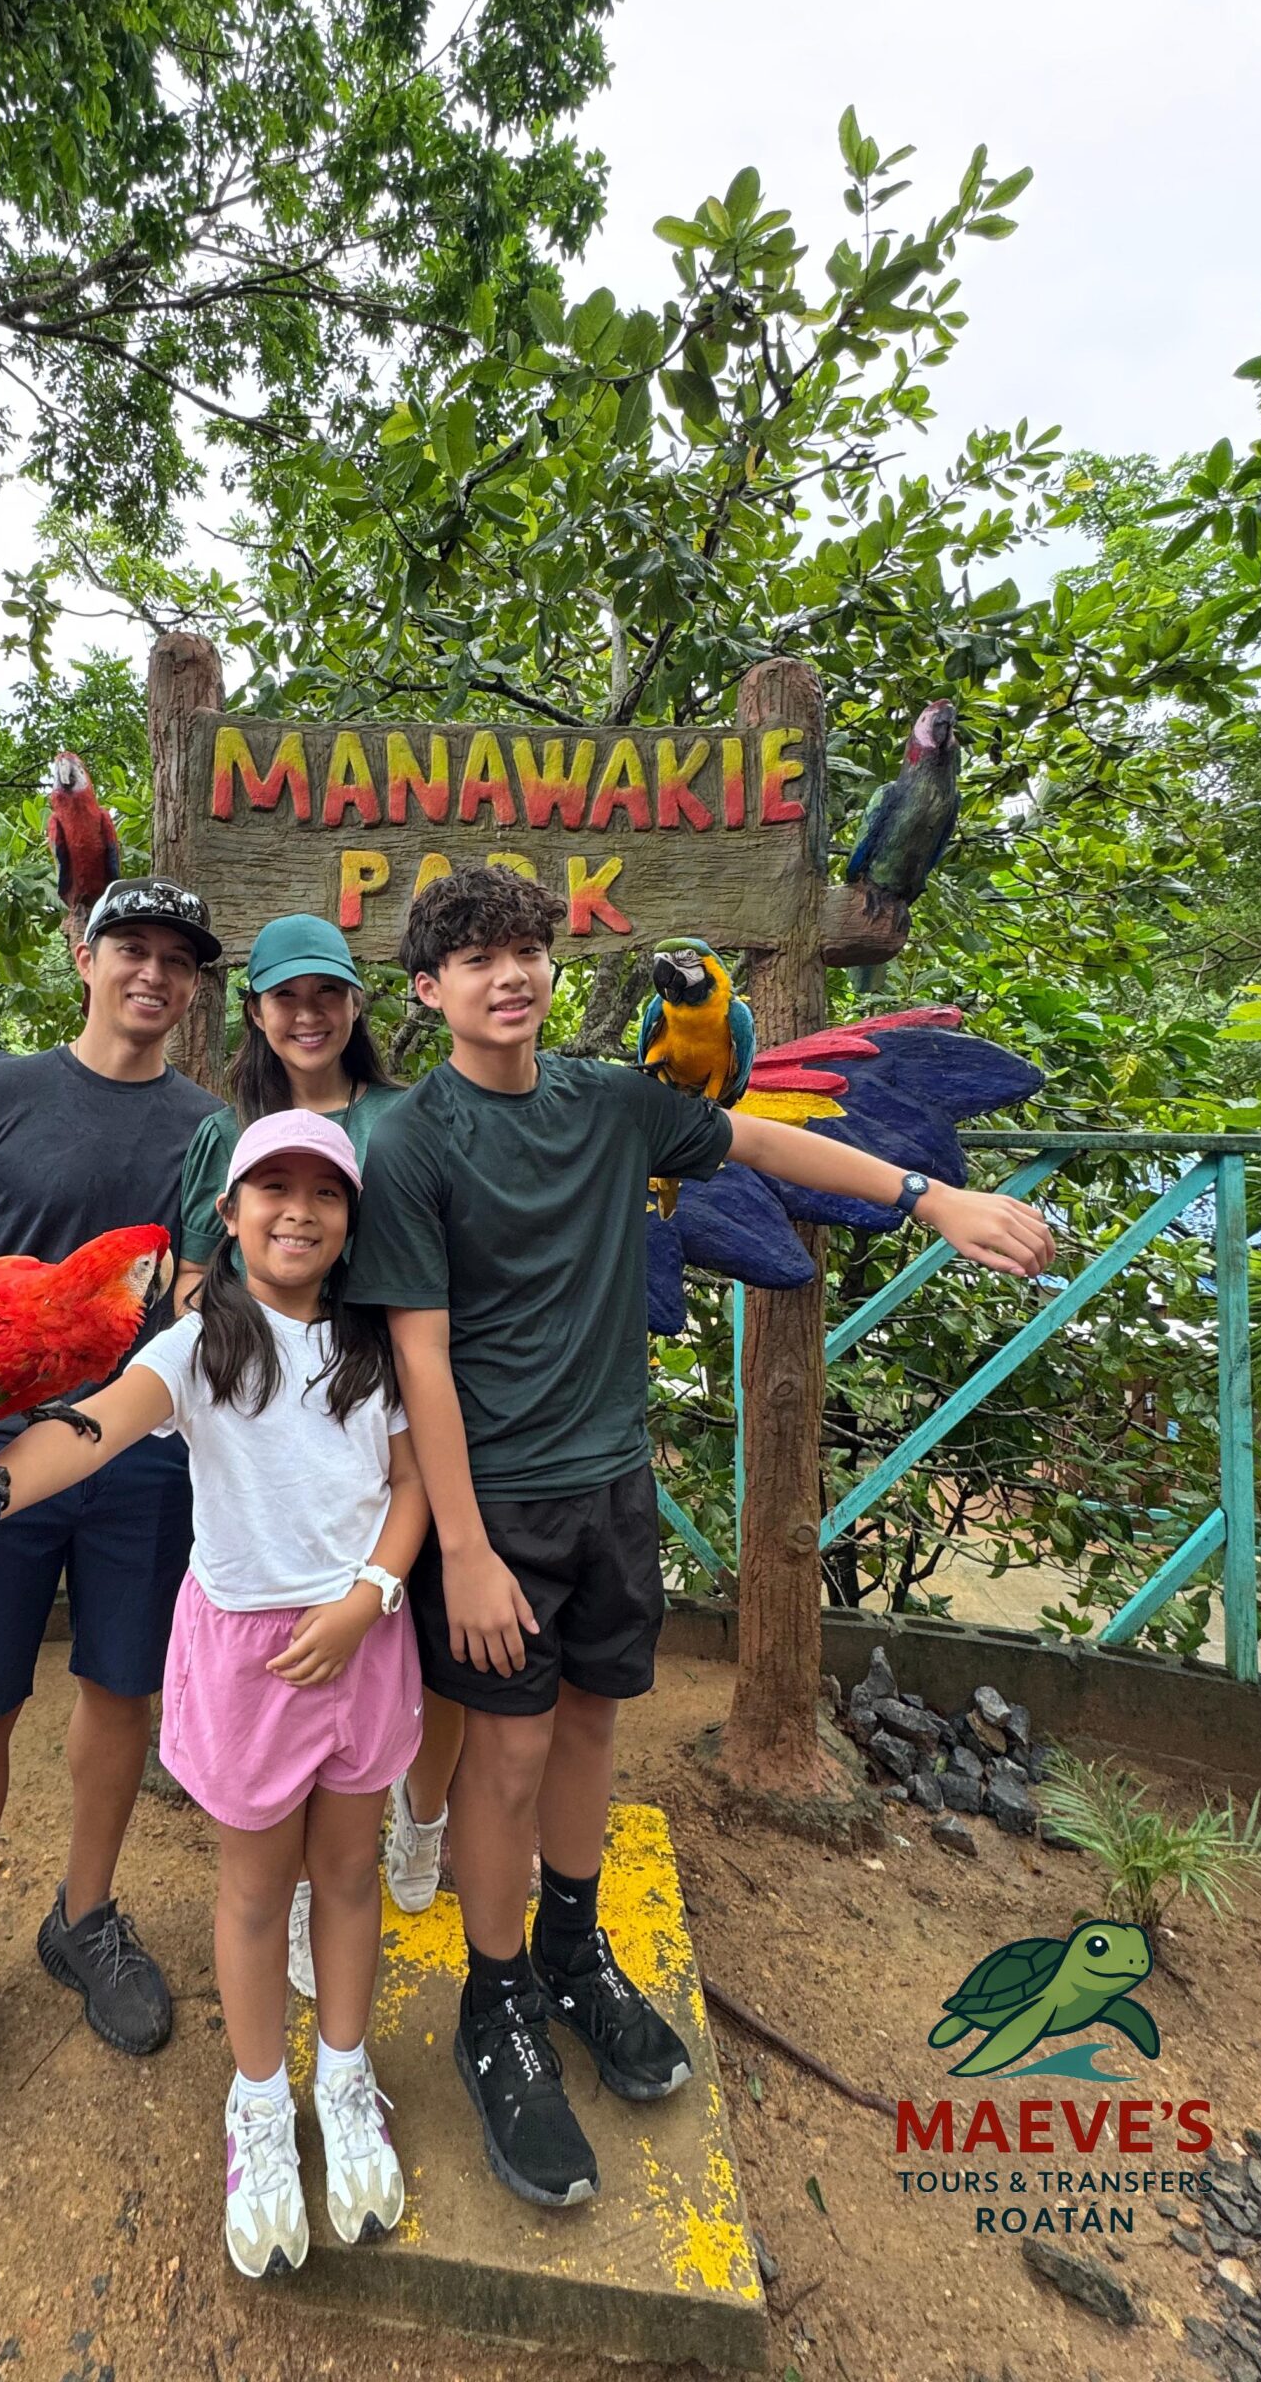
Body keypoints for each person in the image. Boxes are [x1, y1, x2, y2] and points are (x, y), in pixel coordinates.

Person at [346, 865, 1057, 2212]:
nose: (511, 975)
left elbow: (767, 1146)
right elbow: (419, 1359)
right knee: (504, 1754)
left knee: (592, 1730)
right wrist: (467, 1551)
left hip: (612, 1484)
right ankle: (497, 2003)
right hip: (498, 1507)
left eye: (528, 951)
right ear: (429, 990)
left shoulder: (611, 1102)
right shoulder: (414, 1142)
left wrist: (929, 1198)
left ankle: (574, 1952)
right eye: (478, 959)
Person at [0, 1112, 429, 2280]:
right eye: (271, 1188)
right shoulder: (196, 1347)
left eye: (325, 1192)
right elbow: (91, 1428)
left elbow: (409, 1483)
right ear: (227, 1217)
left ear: (351, 1220)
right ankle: (259, 2099)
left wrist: (373, 1593)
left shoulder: (374, 1346)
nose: (298, 1210)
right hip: (252, 1664)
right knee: (254, 1890)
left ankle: (346, 2076)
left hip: (362, 1643)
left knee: (349, 1873)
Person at [0, 876, 223, 2178]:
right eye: (131, 947)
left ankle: (85, 1916)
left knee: (120, 1691)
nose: (153, 973)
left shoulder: (210, 1130)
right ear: (85, 955)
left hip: (140, 1459)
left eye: (178, 958)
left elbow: (207, 1308)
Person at [175, 915, 456, 1982]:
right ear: (254, 1009)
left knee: (422, 1640)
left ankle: (419, 1818)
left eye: (327, 992)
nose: (307, 1013)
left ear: (356, 1003)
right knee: (291, 1677)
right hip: (272, 1445)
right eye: (285, 995)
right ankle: (297, 1888)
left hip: (393, 1406)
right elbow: (193, 1286)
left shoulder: (406, 1116)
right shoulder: (224, 1131)